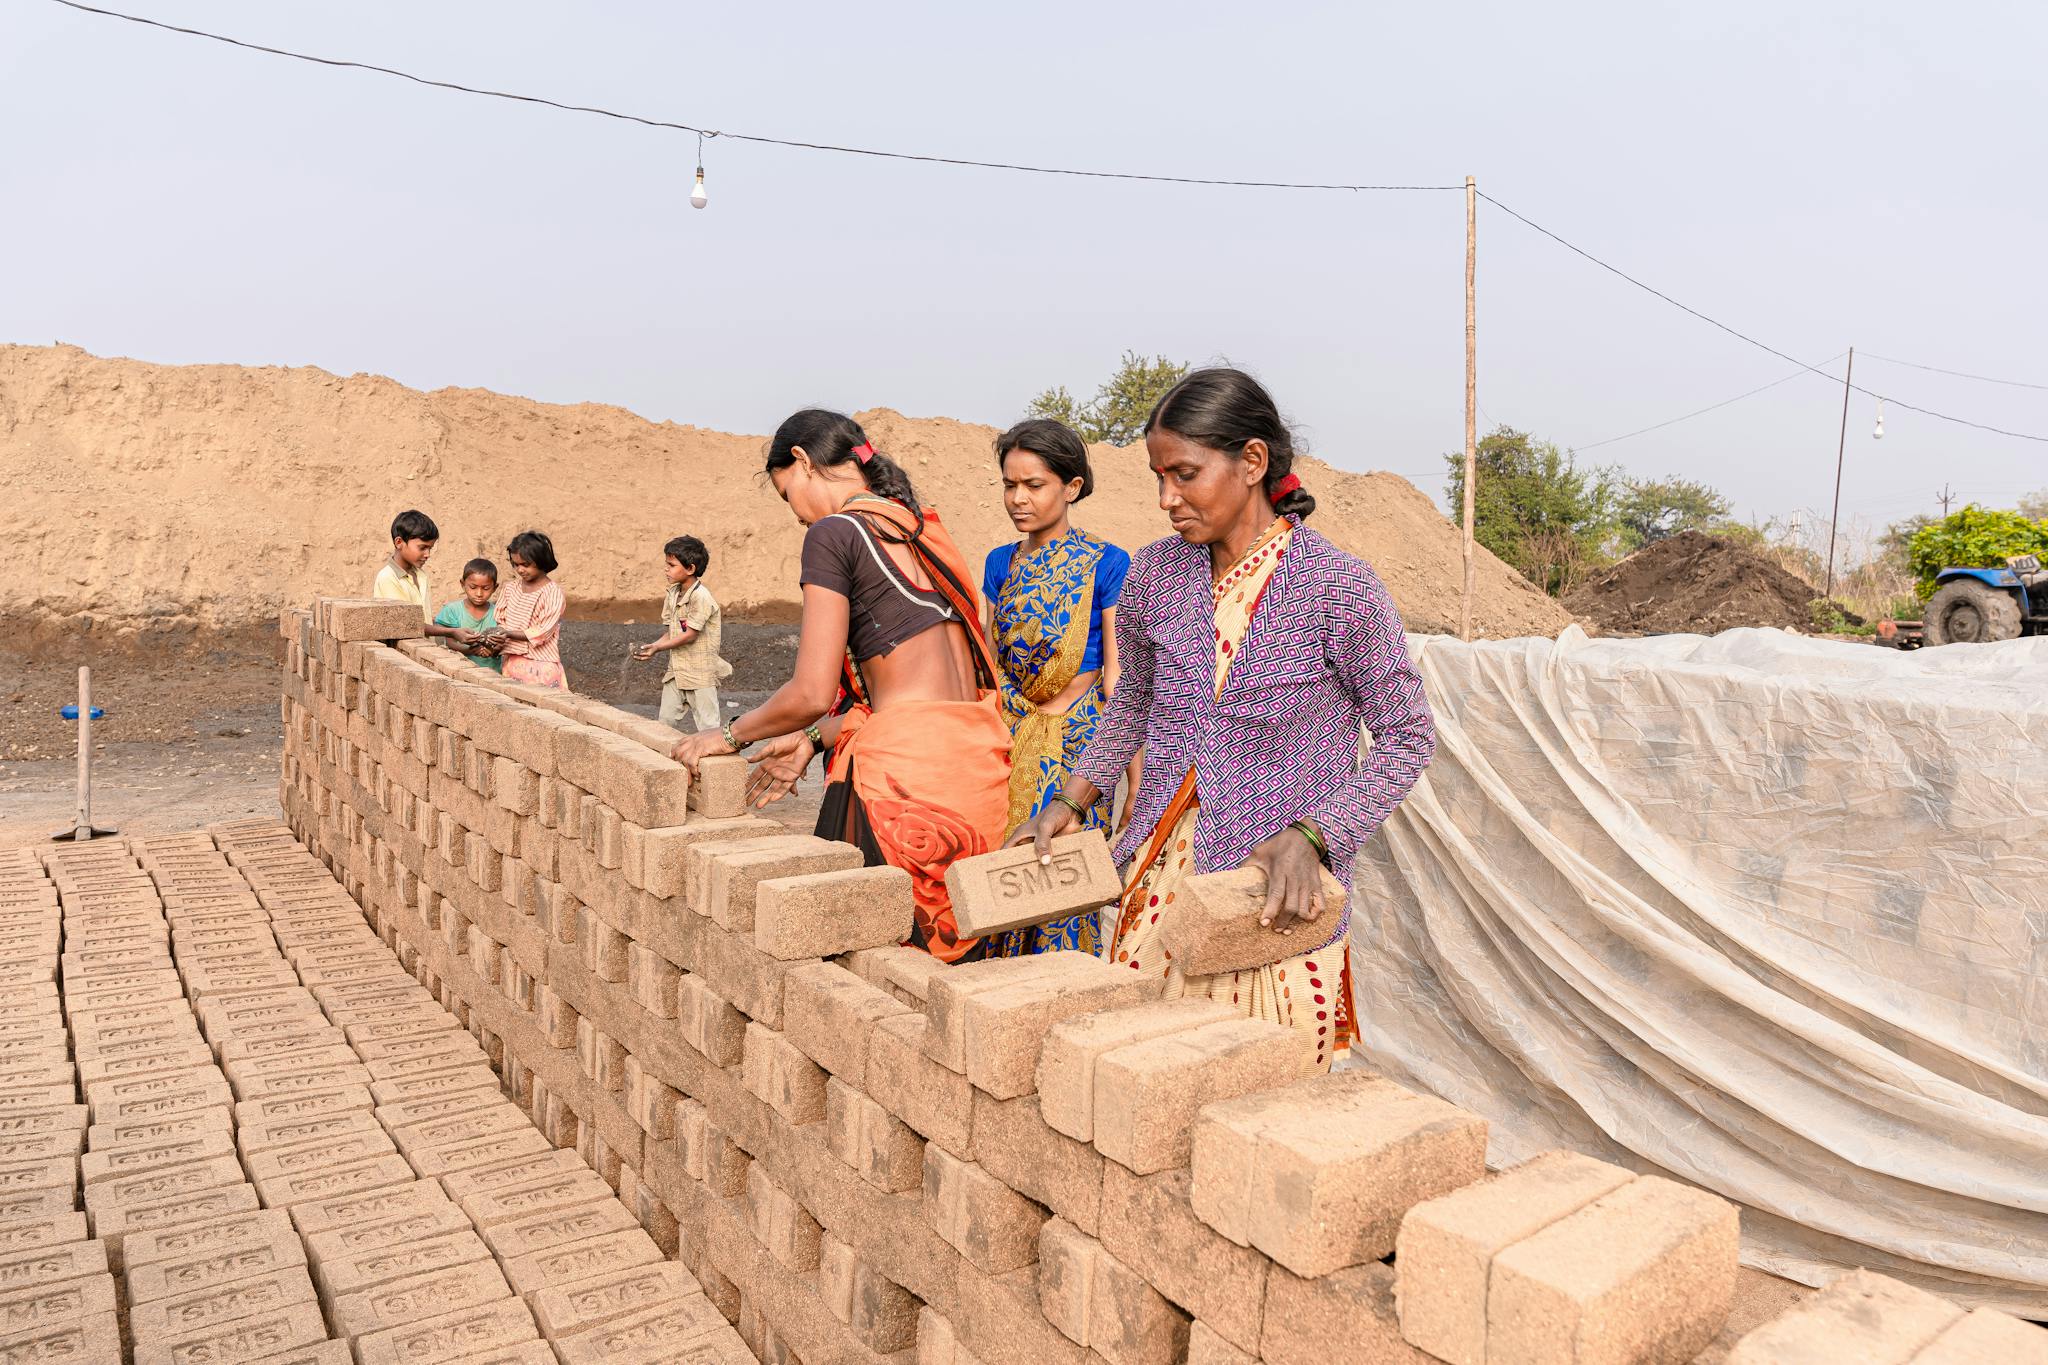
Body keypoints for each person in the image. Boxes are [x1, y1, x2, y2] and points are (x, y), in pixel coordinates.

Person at [1014, 368, 1435, 1071]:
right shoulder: (1154, 575)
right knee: (1136, 1078)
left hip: (1270, 894)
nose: (1164, 498)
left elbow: (1406, 737)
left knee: (1256, 1094)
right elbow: (1134, 705)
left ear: (1251, 462)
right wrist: (1070, 798)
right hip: (1160, 872)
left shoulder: (1339, 587)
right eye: (1157, 476)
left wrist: (1315, 833)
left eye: (1183, 474)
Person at [670, 410, 1009, 963]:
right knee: (959, 975)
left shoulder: (837, 533)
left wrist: (729, 735)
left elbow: (809, 691)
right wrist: (812, 739)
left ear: (802, 462)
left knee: (870, 970)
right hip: (975, 774)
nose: (797, 515)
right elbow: (919, 689)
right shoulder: (920, 529)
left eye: (787, 496)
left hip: (904, 788)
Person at [980, 418, 1131, 957]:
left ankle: (1063, 985)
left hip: (1082, 741)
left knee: (1060, 868)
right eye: (1009, 485)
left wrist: (1131, 782)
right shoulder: (1000, 563)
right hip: (1010, 733)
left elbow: (1120, 678)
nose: (1018, 499)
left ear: (1071, 487)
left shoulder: (1108, 563)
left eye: (1034, 485)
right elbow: (991, 661)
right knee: (1001, 866)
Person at [635, 535, 732, 732]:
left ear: (690, 569)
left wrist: (658, 647)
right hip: (676, 673)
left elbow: (690, 635)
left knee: (708, 727)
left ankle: (714, 762)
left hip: (700, 674)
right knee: (665, 723)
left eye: (671, 565)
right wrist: (653, 647)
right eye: (666, 564)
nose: (666, 569)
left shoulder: (701, 597)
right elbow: (672, 632)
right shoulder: (672, 593)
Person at [373, 509, 476, 649]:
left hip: (422, 651)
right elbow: (407, 625)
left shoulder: (421, 575)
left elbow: (422, 619)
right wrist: (451, 632)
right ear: (399, 542)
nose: (427, 554)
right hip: (402, 655)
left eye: (430, 548)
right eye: (422, 548)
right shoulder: (388, 577)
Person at [497, 530, 569, 690]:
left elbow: (543, 631)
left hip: (541, 666)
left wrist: (507, 633)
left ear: (541, 561)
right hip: (512, 663)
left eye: (525, 564)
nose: (520, 569)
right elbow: (500, 620)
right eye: (516, 564)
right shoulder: (510, 589)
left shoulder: (552, 593)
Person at [434, 559, 505, 672]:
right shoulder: (452, 610)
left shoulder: (499, 612)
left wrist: (493, 651)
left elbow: (503, 644)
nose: (479, 594)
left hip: (493, 672)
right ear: (463, 584)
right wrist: (470, 650)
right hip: (459, 672)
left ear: (495, 588)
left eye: (486, 588)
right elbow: (449, 642)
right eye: (473, 587)